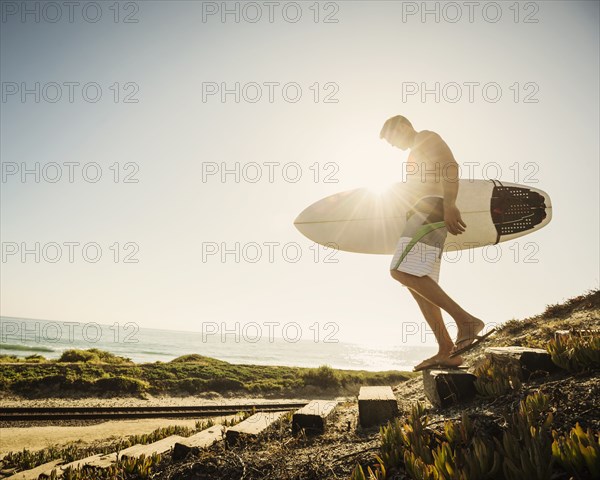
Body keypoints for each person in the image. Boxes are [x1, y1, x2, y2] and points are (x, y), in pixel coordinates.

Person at [380, 115, 489, 371]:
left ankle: (466, 321)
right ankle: (446, 349)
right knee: (417, 284)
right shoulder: (413, 154)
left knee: (400, 271)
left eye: (391, 138)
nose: (393, 146)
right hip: (421, 214)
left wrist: (449, 204)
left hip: (430, 211)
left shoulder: (425, 137)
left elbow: (450, 166)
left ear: (403, 127)